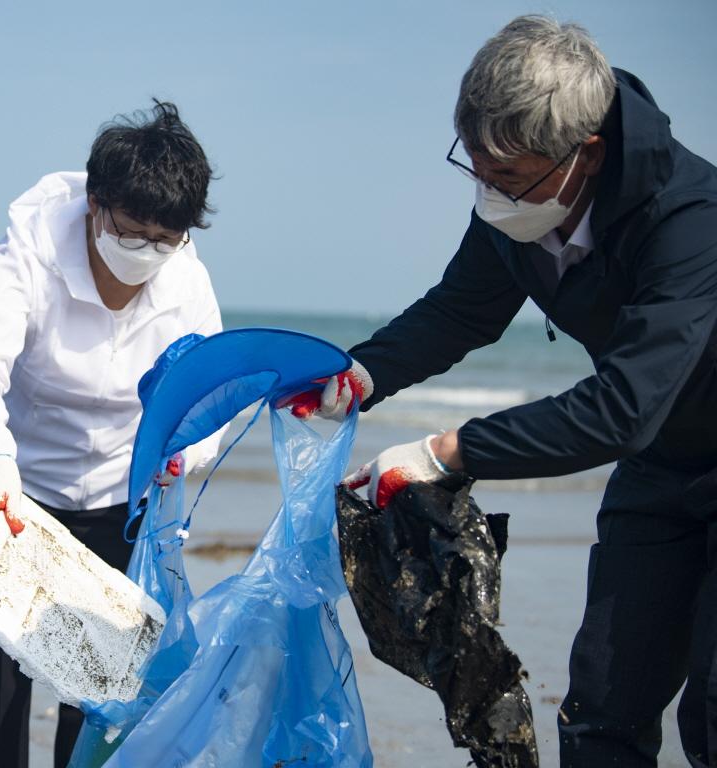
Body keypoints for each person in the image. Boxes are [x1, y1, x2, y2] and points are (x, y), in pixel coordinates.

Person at [287, 14, 717, 767]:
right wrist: (362, 374)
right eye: (476, 170)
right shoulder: (515, 209)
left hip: (661, 429)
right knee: (601, 704)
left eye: (509, 178)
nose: (489, 193)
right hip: (660, 470)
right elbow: (462, 310)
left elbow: (622, 408)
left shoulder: (691, 223)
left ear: (587, 154)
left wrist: (451, 451)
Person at [0, 100, 225, 768]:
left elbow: (209, 392)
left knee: (101, 675)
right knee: (2, 664)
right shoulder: (30, 252)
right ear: (96, 205)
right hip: (18, 482)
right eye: (132, 232)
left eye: (166, 239)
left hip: (120, 490)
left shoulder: (184, 276)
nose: (147, 252)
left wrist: (181, 459)